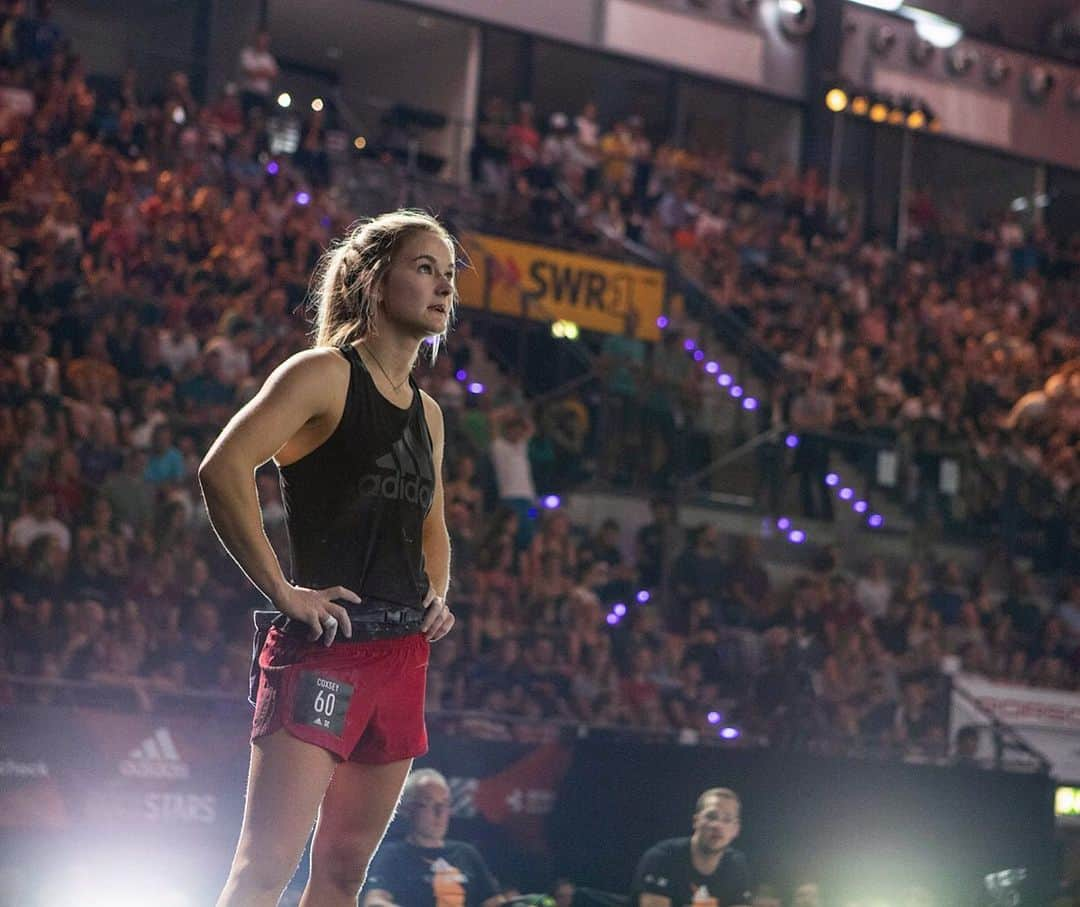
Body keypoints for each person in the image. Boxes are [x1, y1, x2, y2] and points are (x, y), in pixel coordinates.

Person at [200, 210, 457, 907]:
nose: (442, 287)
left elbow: (431, 524)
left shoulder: (429, 414)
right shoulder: (321, 374)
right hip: (326, 648)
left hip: (403, 655)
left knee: (343, 875)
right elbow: (223, 469)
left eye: (449, 273)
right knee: (265, 868)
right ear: (374, 280)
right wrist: (283, 589)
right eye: (425, 267)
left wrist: (438, 591)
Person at [361, 768, 504, 907]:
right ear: (407, 809)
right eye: (429, 803)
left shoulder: (466, 853)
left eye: (445, 804)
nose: (440, 812)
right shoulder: (391, 855)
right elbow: (375, 902)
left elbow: (494, 901)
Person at [629, 787, 751, 907]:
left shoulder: (736, 864)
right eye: (711, 817)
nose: (718, 825)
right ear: (696, 821)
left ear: (736, 829)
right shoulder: (662, 858)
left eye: (727, 819)